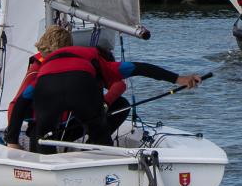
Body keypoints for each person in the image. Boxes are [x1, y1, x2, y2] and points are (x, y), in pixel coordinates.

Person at [13, 40, 202, 152]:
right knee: (99, 132)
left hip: (46, 88)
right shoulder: (103, 63)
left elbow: (21, 102)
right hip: (80, 85)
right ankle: (99, 156)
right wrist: (179, 79)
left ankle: (43, 165)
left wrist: (12, 140)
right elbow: (141, 68)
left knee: (42, 136)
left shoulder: (45, 67)